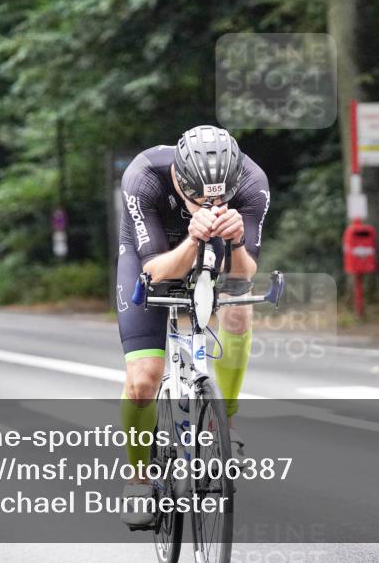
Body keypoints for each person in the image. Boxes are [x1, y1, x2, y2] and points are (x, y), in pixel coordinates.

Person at [115, 125, 270, 527]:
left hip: (215, 247)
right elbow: (154, 271)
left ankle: (225, 421)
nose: (209, 205)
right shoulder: (145, 177)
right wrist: (192, 239)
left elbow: (243, 274)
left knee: (238, 310)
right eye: (198, 198)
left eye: (219, 198)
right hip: (151, 255)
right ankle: (138, 479)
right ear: (179, 180)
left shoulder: (251, 182)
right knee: (143, 380)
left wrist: (236, 242)